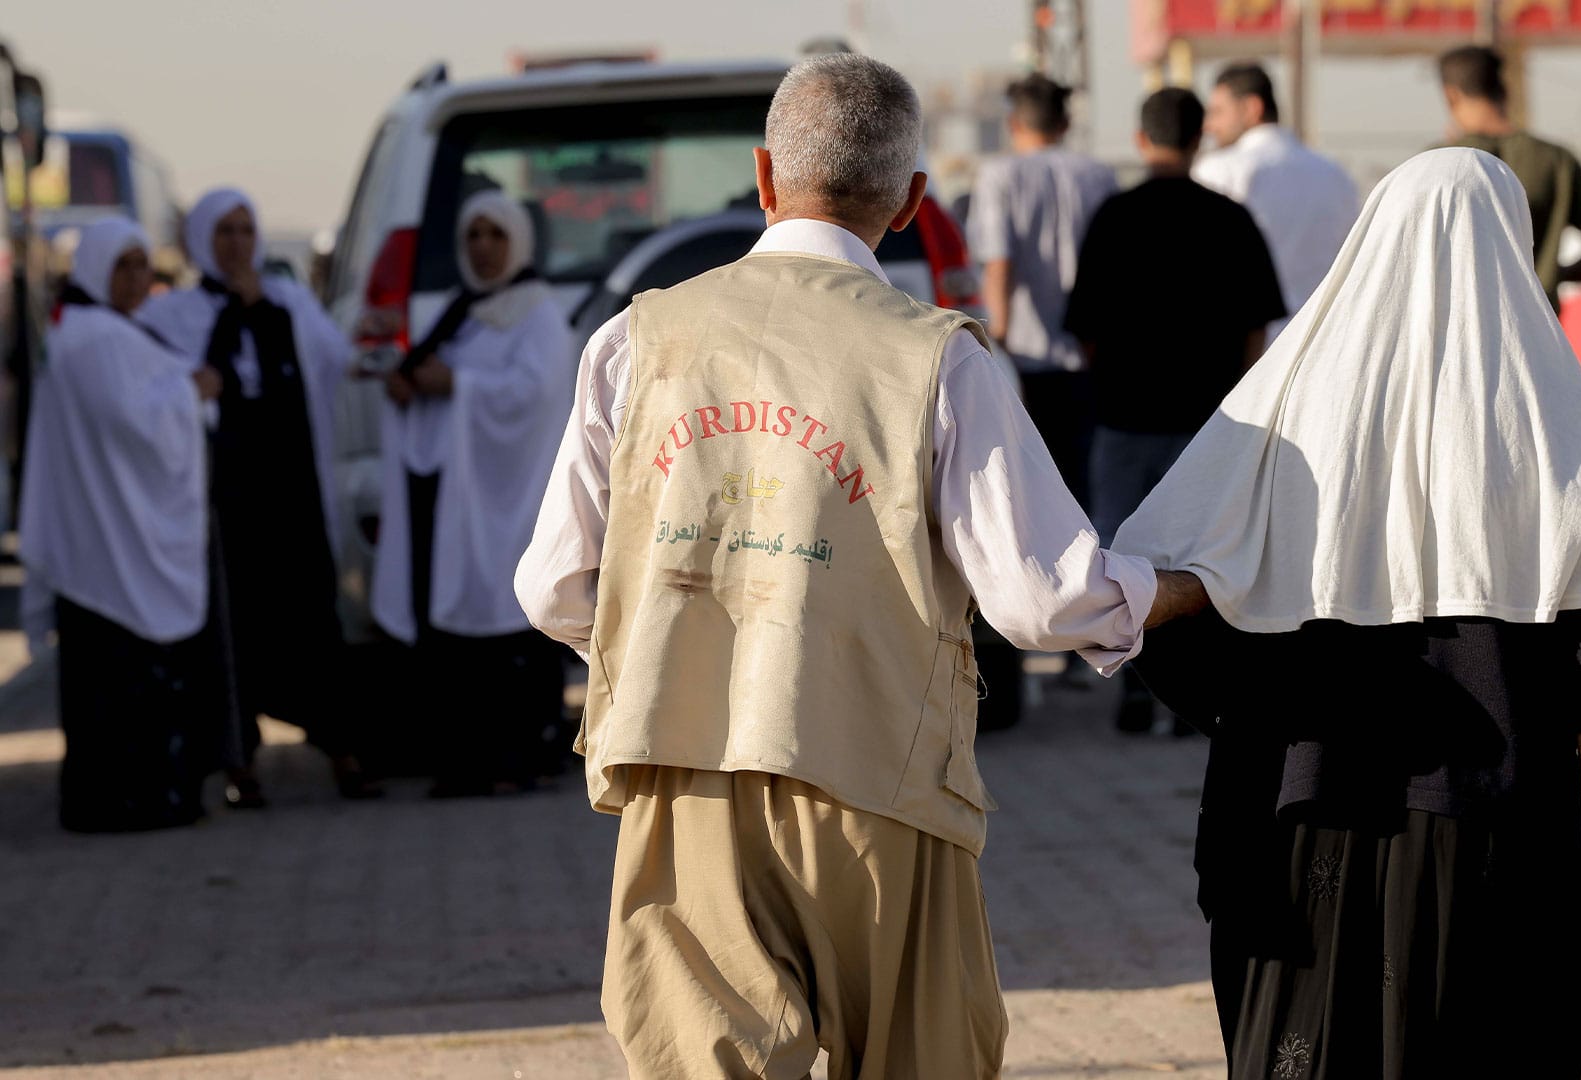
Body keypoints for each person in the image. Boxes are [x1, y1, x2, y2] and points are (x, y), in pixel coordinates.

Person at [515, 54, 1201, 1078]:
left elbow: (557, 587)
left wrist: (692, 636)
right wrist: (1182, 589)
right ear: (914, 202)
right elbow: (1044, 599)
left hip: (683, 773)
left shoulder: (636, 338)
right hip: (879, 780)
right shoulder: (939, 357)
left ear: (761, 176)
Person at [1116, 149, 1581, 1077]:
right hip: (1488, 826)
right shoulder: (1544, 412)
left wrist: (1248, 713)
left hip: (1295, 805)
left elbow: (1159, 588)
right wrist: (1549, 786)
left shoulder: (1288, 397)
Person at [139, 188, 373, 805]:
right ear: (200, 241)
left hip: (292, 495)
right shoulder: (175, 316)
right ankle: (240, 764)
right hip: (227, 503)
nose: (238, 244)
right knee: (234, 630)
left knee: (313, 623)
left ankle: (342, 751)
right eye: (225, 232)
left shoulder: (289, 301)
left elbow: (338, 362)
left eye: (247, 230)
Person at [1066, 87, 1285, 734]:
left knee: (1120, 553)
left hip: (1125, 415)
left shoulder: (1114, 217)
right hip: (1207, 425)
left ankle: (1134, 685)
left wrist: (1106, 379)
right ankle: (1197, 693)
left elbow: (1085, 327)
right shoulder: (1230, 218)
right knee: (1201, 561)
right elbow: (1256, 329)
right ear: (1199, 140)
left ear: (1141, 139)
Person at [19, 218, 223, 832]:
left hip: (101, 545)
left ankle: (114, 802)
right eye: (123, 266)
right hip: (115, 545)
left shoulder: (85, 330)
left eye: (142, 266)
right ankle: (133, 804)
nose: (136, 279)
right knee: (122, 693)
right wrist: (194, 391)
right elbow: (136, 424)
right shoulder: (97, 338)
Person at [370, 190, 574, 797]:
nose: (483, 247)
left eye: (495, 234)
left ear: (518, 241)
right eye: (473, 236)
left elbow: (535, 395)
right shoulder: (465, 310)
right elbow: (436, 378)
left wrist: (458, 383)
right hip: (462, 500)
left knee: (511, 630)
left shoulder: (537, 313)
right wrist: (415, 388)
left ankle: (518, 759)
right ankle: (467, 761)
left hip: (511, 501)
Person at [967, 73, 1116, 504]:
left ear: (1014, 123)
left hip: (1025, 354)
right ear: (1065, 123)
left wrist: (998, 341)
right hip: (1089, 352)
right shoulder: (1099, 176)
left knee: (1030, 485)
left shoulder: (999, 175)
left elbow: (998, 264)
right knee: (1084, 483)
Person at [1440, 46, 1581, 314]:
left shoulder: (1436, 161)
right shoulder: (1558, 161)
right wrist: (1548, 277)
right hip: (1537, 328)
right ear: (1504, 91)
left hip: (1461, 330)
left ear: (1451, 95)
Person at [1194, 61, 1359, 339]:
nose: (1209, 126)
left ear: (1251, 108)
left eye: (1217, 112)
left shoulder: (1220, 170)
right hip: (1324, 343)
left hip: (1252, 351)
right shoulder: (1334, 175)